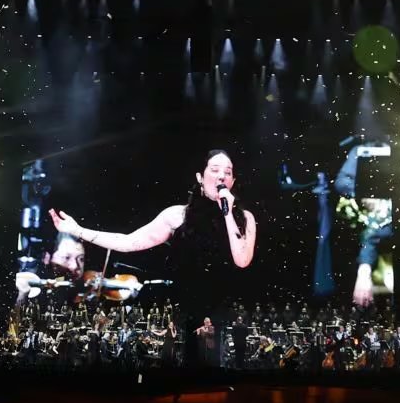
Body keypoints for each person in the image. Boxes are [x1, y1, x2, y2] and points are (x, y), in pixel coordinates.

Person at [50, 149, 256, 367]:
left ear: (233, 181)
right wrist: (78, 230)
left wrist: (227, 213)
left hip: (226, 317)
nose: (221, 176)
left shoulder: (245, 219)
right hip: (184, 313)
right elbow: (128, 242)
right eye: (214, 170)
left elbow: (242, 260)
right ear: (200, 177)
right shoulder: (177, 215)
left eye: (228, 172)